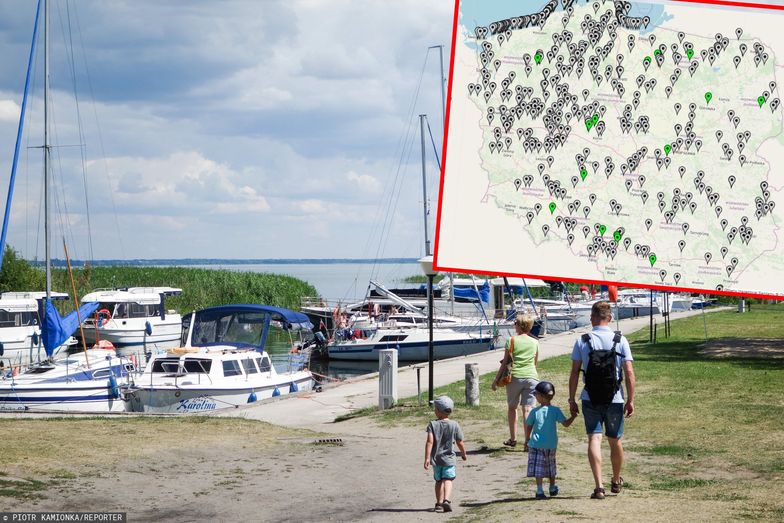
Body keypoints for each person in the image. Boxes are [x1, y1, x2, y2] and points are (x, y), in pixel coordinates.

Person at [568, 301, 636, 500]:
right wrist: (630, 400)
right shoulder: (620, 340)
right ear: (610, 318)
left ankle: (599, 487)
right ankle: (616, 480)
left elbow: (574, 373)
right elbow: (629, 372)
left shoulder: (582, 340)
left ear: (593, 317)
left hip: (590, 396)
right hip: (614, 398)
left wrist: (571, 398)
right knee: (615, 440)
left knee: (594, 438)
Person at [491, 313, 539, 448]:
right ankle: (528, 441)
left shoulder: (512, 340)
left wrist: (496, 379)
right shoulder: (535, 342)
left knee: (512, 408)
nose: (514, 326)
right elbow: (535, 362)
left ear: (519, 326)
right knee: (528, 409)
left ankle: (513, 438)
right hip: (532, 377)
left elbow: (505, 362)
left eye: (516, 324)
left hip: (515, 377)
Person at [525, 381, 577, 499]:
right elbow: (566, 424)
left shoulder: (535, 411)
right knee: (550, 466)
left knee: (539, 468)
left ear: (542, 397)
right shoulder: (556, 410)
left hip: (536, 444)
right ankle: (552, 487)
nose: (535, 396)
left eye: (536, 394)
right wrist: (573, 416)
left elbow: (529, 426)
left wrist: (527, 439)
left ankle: (539, 490)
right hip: (551, 444)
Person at [424, 395, 467, 513]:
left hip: (436, 460)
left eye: (435, 408)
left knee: (438, 481)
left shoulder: (432, 424)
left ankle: (438, 503)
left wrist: (427, 458)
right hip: (449, 459)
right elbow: (460, 442)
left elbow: (429, 442)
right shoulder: (454, 424)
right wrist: (463, 453)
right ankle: (447, 501)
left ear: (438, 411)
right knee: (448, 479)